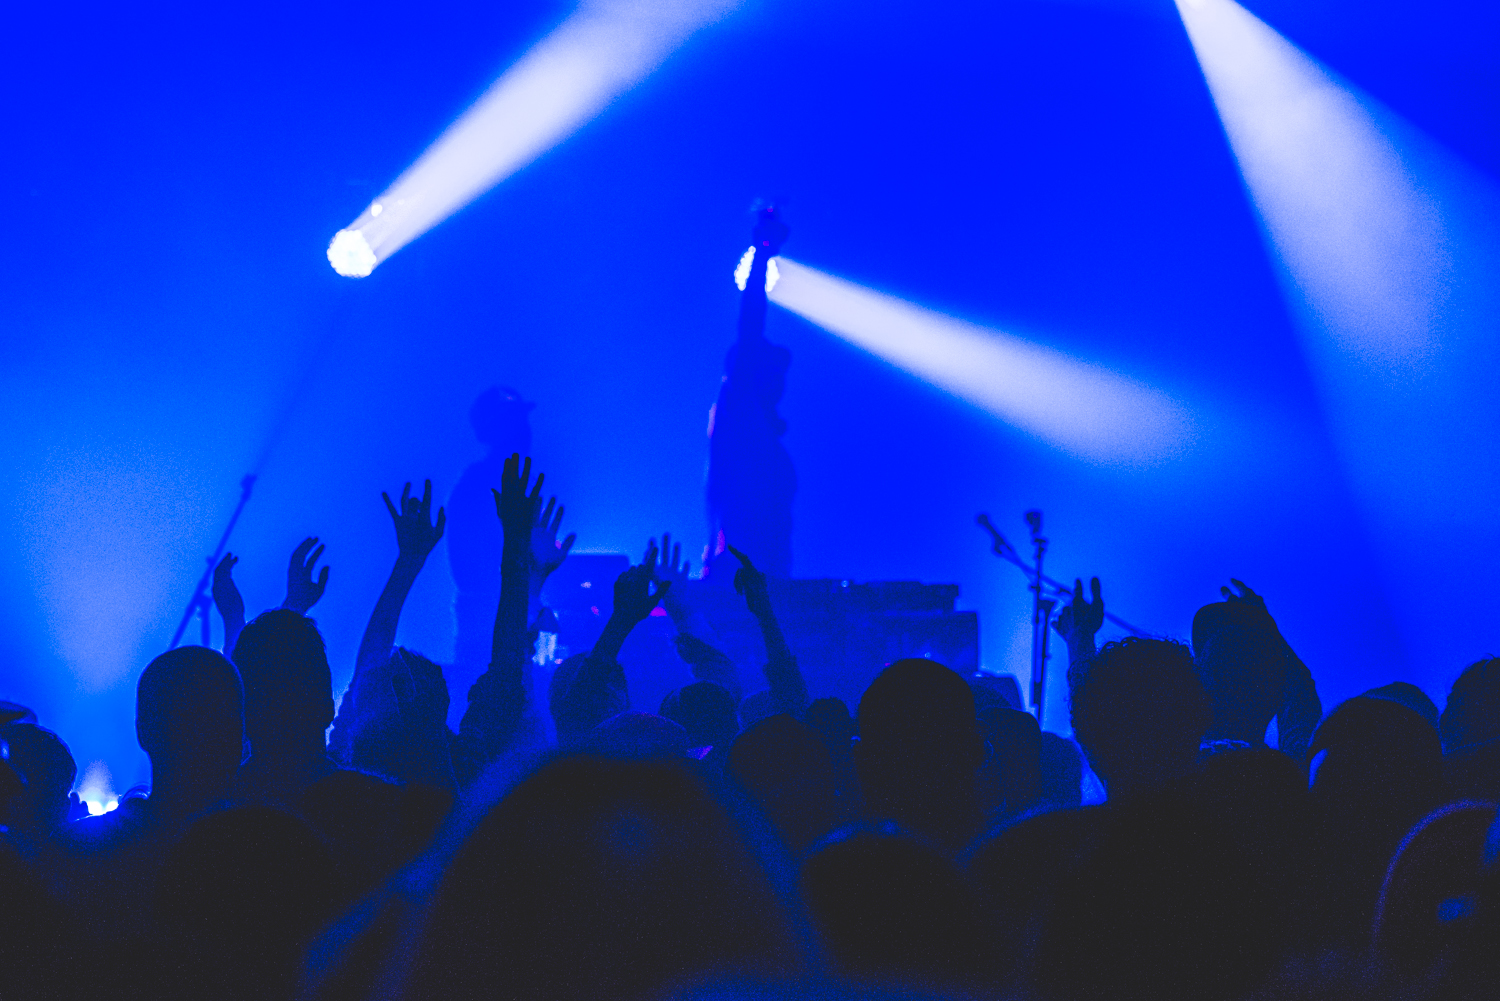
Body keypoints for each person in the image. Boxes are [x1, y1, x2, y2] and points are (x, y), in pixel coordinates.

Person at [706, 205, 796, 579]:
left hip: (765, 576)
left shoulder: (761, 431)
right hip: (738, 578)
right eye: (771, 365)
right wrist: (762, 253)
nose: (781, 376)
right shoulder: (740, 411)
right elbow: (750, 327)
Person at [446, 387, 536, 691]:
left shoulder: (508, 480)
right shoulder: (477, 484)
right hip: (486, 624)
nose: (526, 429)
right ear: (494, 428)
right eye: (515, 420)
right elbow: (468, 571)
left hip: (502, 616)